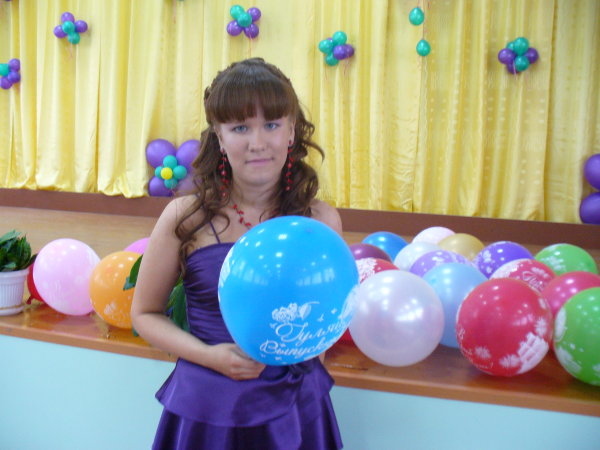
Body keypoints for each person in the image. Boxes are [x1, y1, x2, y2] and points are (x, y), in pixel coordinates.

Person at [131, 58, 344, 450]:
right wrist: (210, 356)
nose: (257, 142)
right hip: (207, 406)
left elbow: (325, 323)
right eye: (240, 127)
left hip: (295, 406)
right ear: (219, 135)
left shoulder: (320, 221)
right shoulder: (185, 216)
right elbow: (144, 314)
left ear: (291, 131)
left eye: (272, 124)